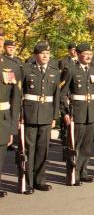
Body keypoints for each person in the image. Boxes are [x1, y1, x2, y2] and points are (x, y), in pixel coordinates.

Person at [21, 43, 60, 193]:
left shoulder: (54, 71)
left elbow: (56, 96)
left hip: (46, 114)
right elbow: (19, 94)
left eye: (47, 54)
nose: (45, 56)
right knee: (29, 149)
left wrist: (55, 116)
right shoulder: (26, 69)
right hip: (30, 113)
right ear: (36, 55)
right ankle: (28, 182)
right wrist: (20, 114)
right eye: (42, 53)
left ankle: (40, 180)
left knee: (43, 150)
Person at [60, 43, 94, 185]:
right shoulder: (70, 70)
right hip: (77, 112)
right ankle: (73, 174)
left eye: (90, 54)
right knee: (74, 144)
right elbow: (62, 93)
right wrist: (64, 112)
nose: (89, 56)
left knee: (87, 145)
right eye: (85, 54)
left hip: (91, 111)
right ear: (78, 54)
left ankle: (83, 171)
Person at [0, 54, 22, 198]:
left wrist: (13, 127)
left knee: (0, 153)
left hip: (3, 117)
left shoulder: (11, 66)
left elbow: (15, 99)